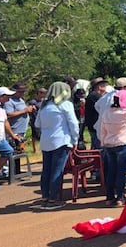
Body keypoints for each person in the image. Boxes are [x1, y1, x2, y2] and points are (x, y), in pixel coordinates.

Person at [35, 81, 79, 210]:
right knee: (56, 170)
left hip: (46, 141)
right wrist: (75, 140)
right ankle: (53, 199)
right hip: (61, 141)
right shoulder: (66, 105)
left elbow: (37, 124)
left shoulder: (44, 105)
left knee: (46, 170)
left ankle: (45, 196)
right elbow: (73, 124)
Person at [85, 77, 109, 150]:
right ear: (99, 86)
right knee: (99, 147)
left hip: (94, 125)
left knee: (95, 146)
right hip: (95, 125)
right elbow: (104, 107)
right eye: (104, 85)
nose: (105, 87)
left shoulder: (94, 95)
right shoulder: (95, 96)